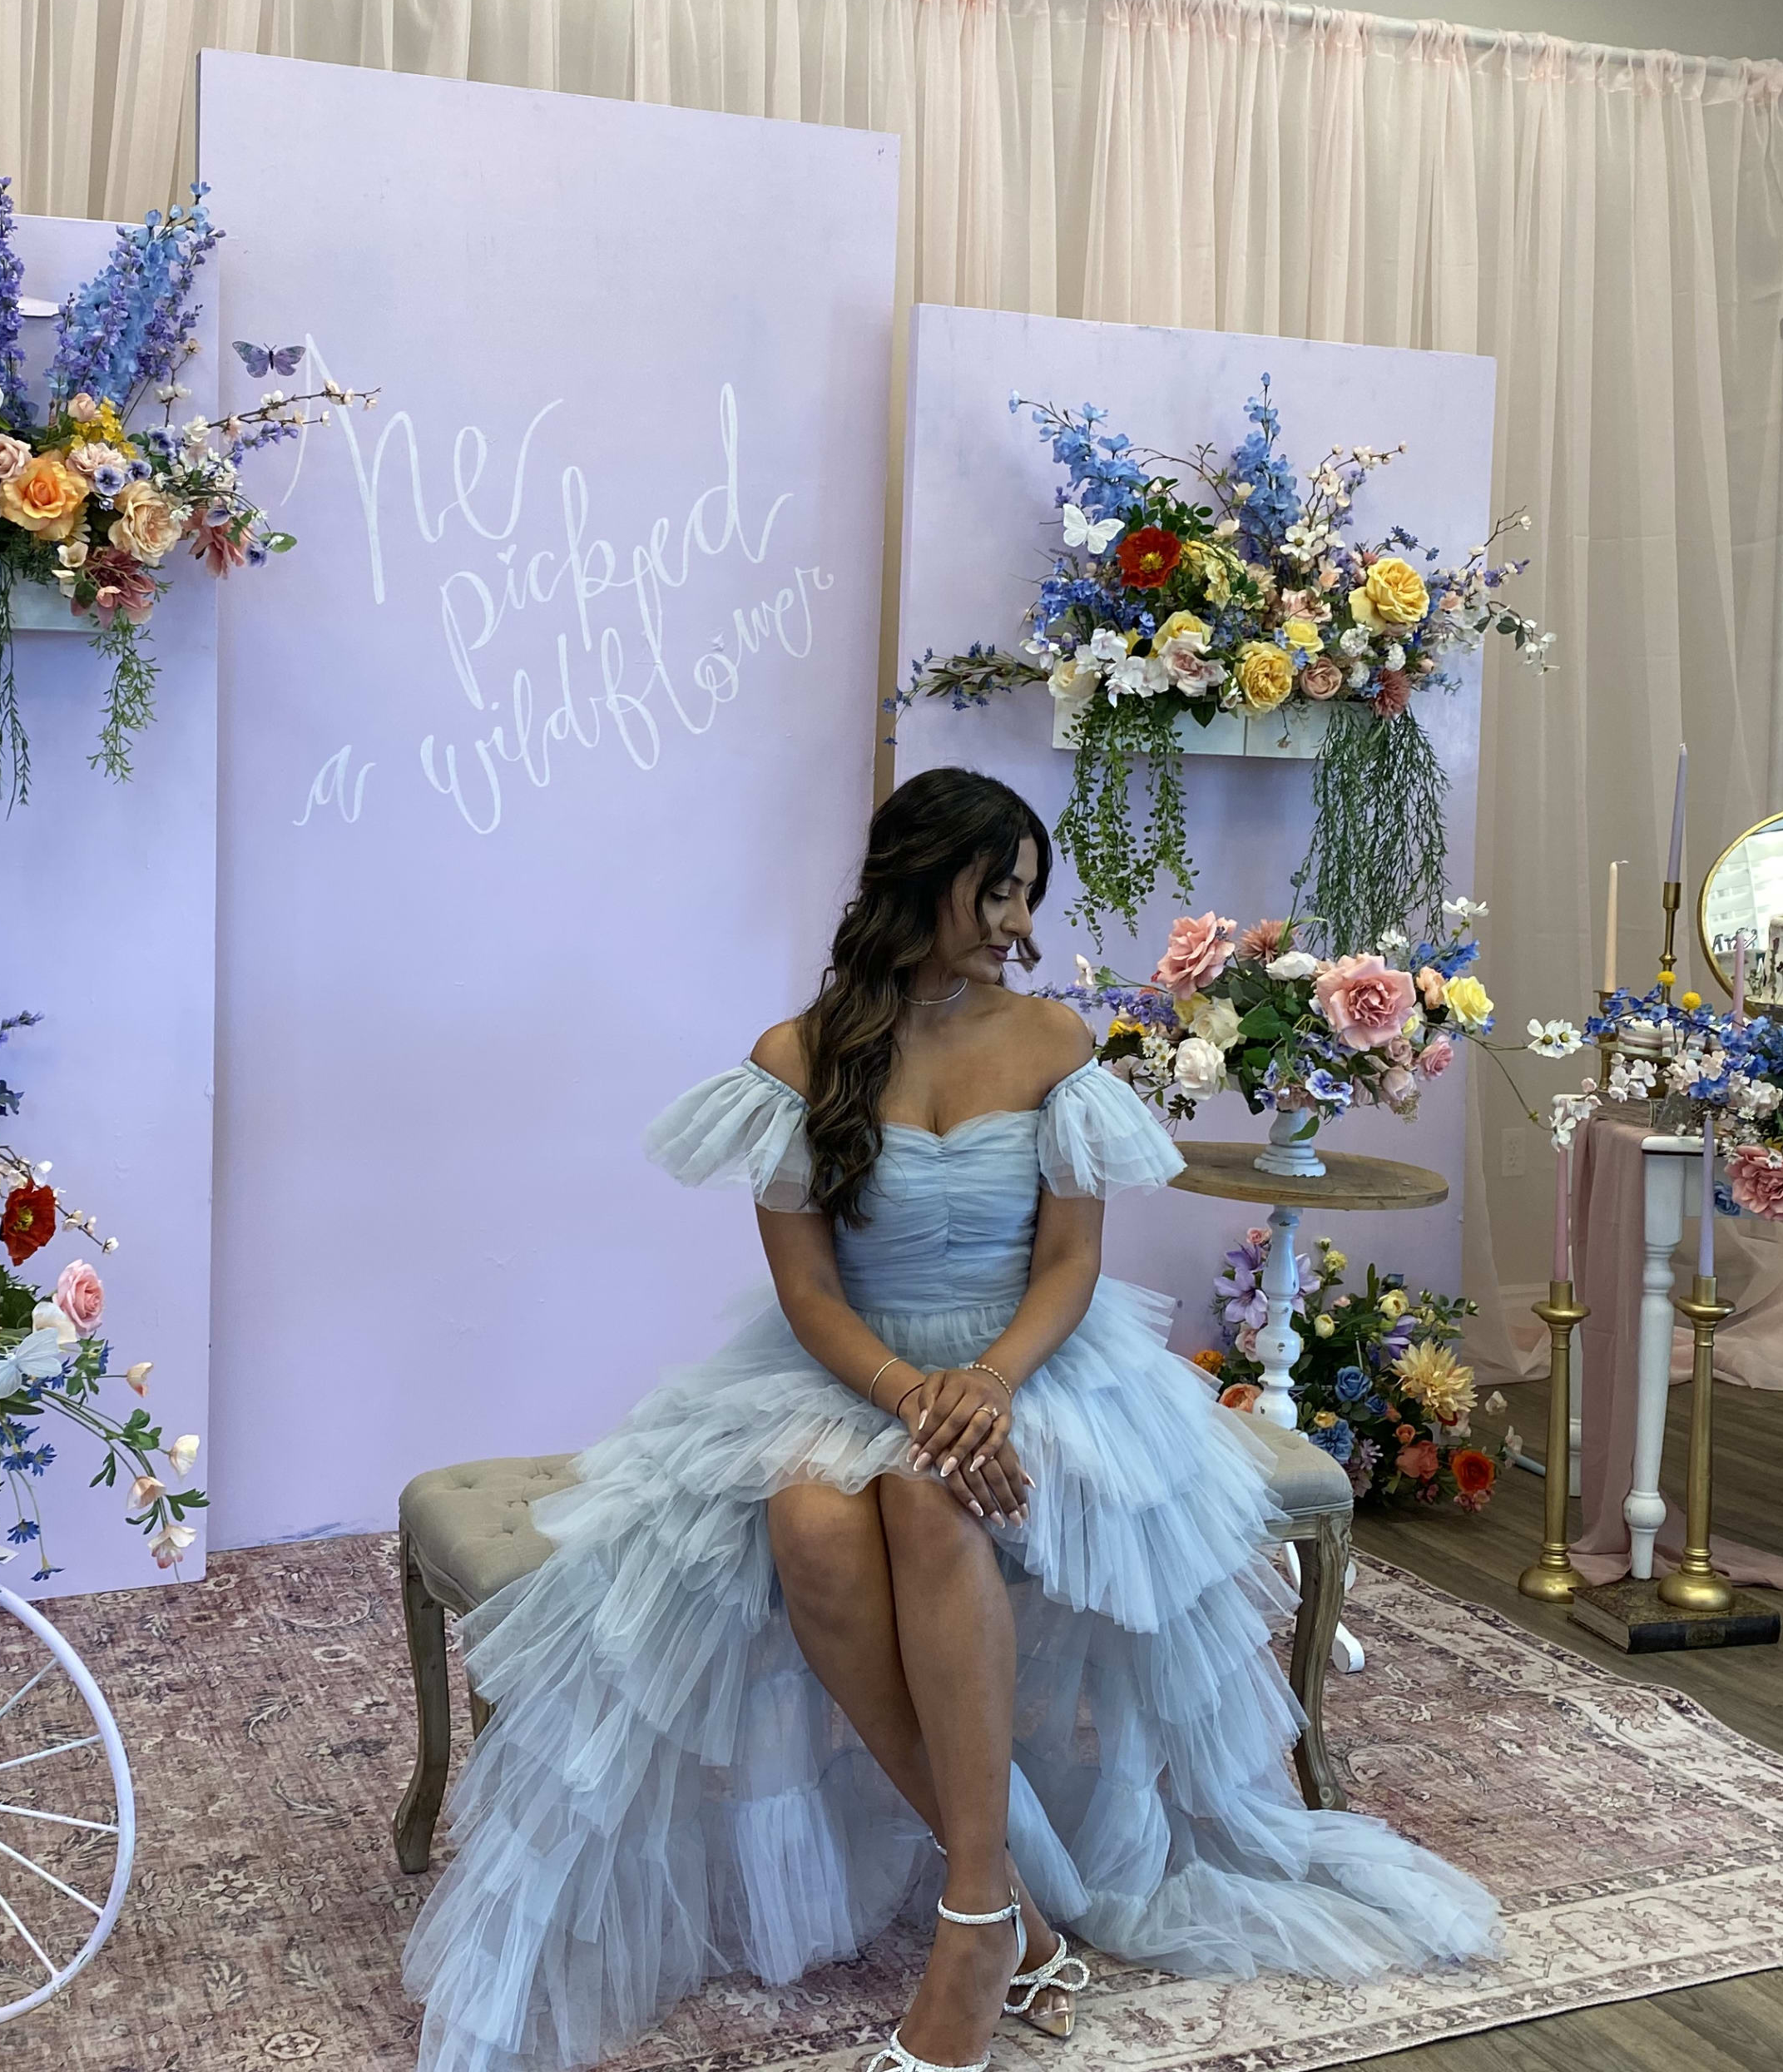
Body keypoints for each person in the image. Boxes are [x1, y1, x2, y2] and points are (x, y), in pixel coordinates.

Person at [403, 768, 1498, 2072]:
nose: (1014, 923)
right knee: (810, 1520)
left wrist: (983, 1388)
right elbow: (806, 1290)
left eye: (1028, 895)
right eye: (995, 891)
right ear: (920, 881)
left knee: (928, 1497)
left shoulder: (1051, 1045)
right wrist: (908, 1391)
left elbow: (1069, 1268)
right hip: (852, 1370)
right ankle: (1014, 1905)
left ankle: (974, 1917)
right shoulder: (796, 1061)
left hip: (1037, 1370)